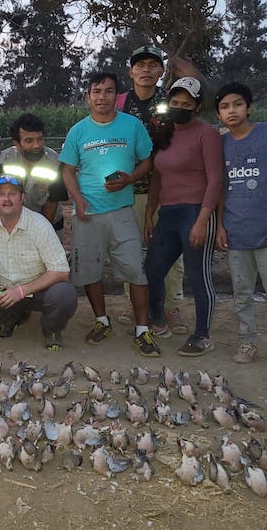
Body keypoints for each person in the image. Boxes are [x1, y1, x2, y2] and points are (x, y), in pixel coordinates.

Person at [59, 72, 161, 357]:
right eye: (96, 91)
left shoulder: (132, 126)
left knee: (135, 271)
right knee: (90, 270)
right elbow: (67, 169)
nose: (102, 97)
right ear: (88, 96)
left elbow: (149, 160)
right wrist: (77, 200)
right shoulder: (78, 131)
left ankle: (143, 330)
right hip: (88, 213)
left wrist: (129, 179)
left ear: (116, 96)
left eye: (108, 91)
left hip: (121, 212)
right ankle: (101, 321)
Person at [214, 82, 267, 373]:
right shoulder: (222, 144)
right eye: (224, 107)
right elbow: (222, 188)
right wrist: (221, 225)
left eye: (237, 104)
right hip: (237, 232)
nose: (231, 111)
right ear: (219, 114)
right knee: (242, 292)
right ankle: (247, 341)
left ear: (248, 107)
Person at [0, 174, 77, 350]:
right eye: (1, 194)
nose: (6, 199)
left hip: (37, 291)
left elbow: (61, 272)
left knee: (64, 294)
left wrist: (20, 292)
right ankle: (11, 315)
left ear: (22, 198)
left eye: (12, 194)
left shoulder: (39, 225)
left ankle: (51, 329)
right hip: (3, 289)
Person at [143, 77, 223, 357]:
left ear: (198, 106)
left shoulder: (208, 134)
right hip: (167, 214)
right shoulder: (165, 134)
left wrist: (203, 221)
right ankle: (158, 321)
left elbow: (215, 181)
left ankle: (202, 335)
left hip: (195, 212)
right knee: (151, 271)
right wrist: (149, 215)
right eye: (174, 102)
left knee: (198, 275)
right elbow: (157, 178)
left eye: (186, 104)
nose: (179, 107)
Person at [117, 45, 186, 333]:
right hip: (126, 190)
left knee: (170, 252)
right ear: (131, 70)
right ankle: (132, 304)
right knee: (127, 252)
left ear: (161, 70)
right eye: (139, 64)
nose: (146, 69)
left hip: (167, 190)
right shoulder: (118, 102)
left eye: (152, 64)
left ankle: (173, 307)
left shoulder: (174, 102)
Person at [0, 113, 66, 235]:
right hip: (13, 228)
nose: (37, 145)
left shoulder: (55, 163)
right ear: (16, 144)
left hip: (48, 228)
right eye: (29, 141)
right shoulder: (3, 161)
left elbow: (51, 206)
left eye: (40, 139)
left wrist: (36, 237)